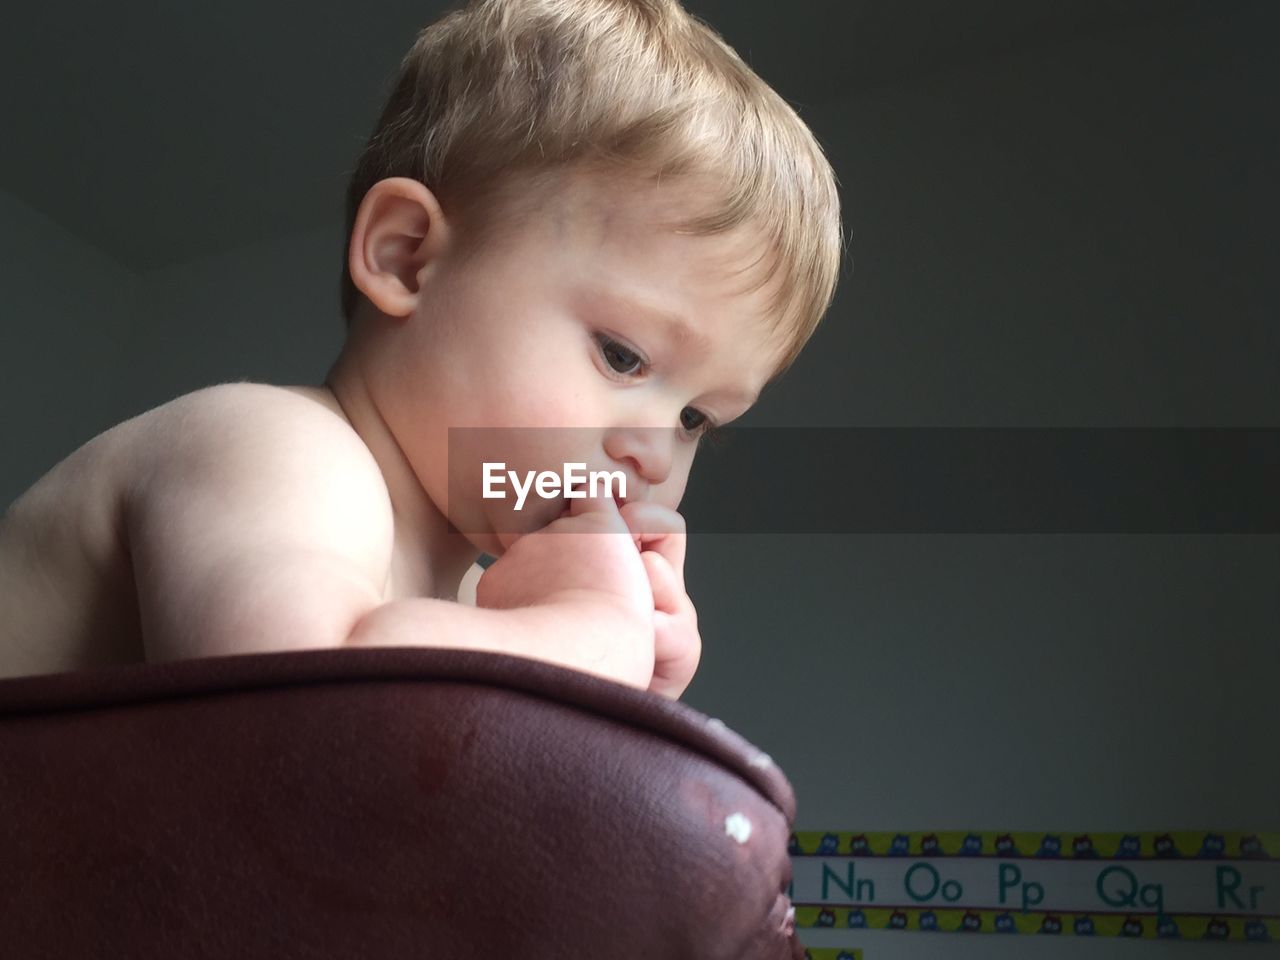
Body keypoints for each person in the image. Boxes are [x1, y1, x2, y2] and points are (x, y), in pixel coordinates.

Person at [0, 0, 842, 698]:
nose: (654, 453)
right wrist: (587, 632)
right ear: (407, 257)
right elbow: (306, 718)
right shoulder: (272, 448)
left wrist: (619, 695)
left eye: (697, 417)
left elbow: (407, 831)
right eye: (622, 356)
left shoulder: (472, 608)